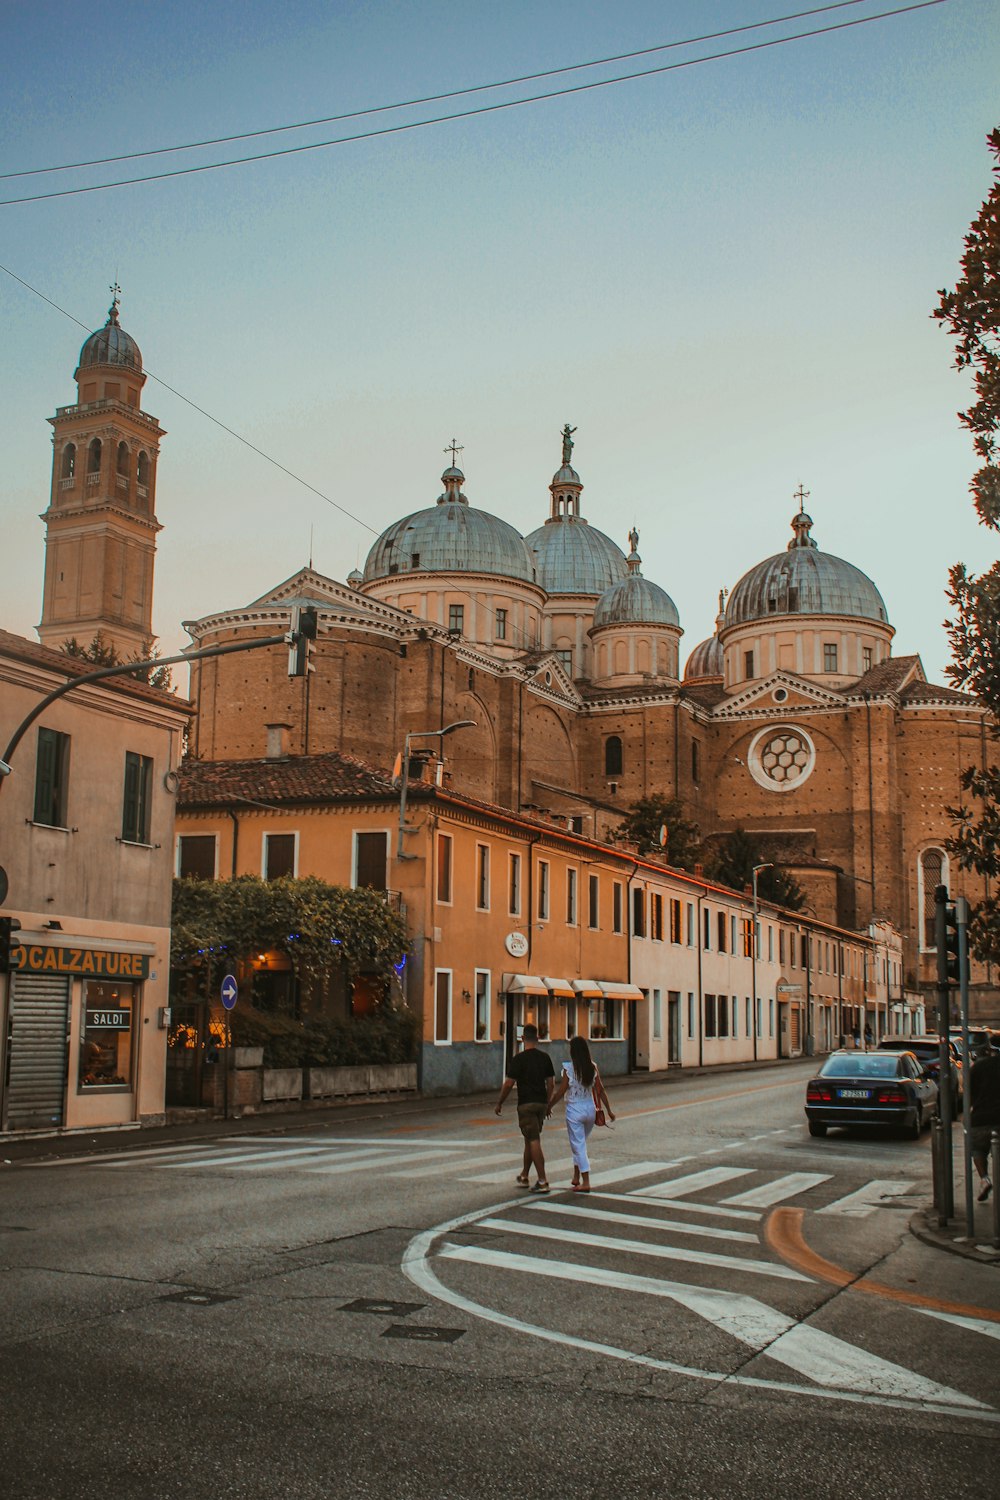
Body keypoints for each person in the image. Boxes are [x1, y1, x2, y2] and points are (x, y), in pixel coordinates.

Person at [547, 1034, 615, 1192]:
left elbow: (561, 1091)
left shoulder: (568, 1069)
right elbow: (600, 1089)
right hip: (590, 1109)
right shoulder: (592, 1067)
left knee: (578, 1145)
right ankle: (576, 1176)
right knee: (580, 1144)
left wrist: (549, 1105)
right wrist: (609, 1110)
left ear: (573, 1051)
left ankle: (586, 1181)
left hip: (574, 1110)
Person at [495, 1023, 556, 1193]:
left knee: (533, 1140)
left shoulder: (519, 1059)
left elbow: (508, 1084)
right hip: (541, 1104)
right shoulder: (545, 1058)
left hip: (526, 1104)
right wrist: (548, 1103)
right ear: (537, 1039)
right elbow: (551, 1083)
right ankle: (524, 1175)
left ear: (522, 1039)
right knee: (529, 1139)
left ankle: (543, 1180)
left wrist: (500, 1102)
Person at [969, 1045, 1000, 1202]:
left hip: (981, 1118)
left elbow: (968, 1093)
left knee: (977, 1149)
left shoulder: (979, 1067)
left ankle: (985, 1179)